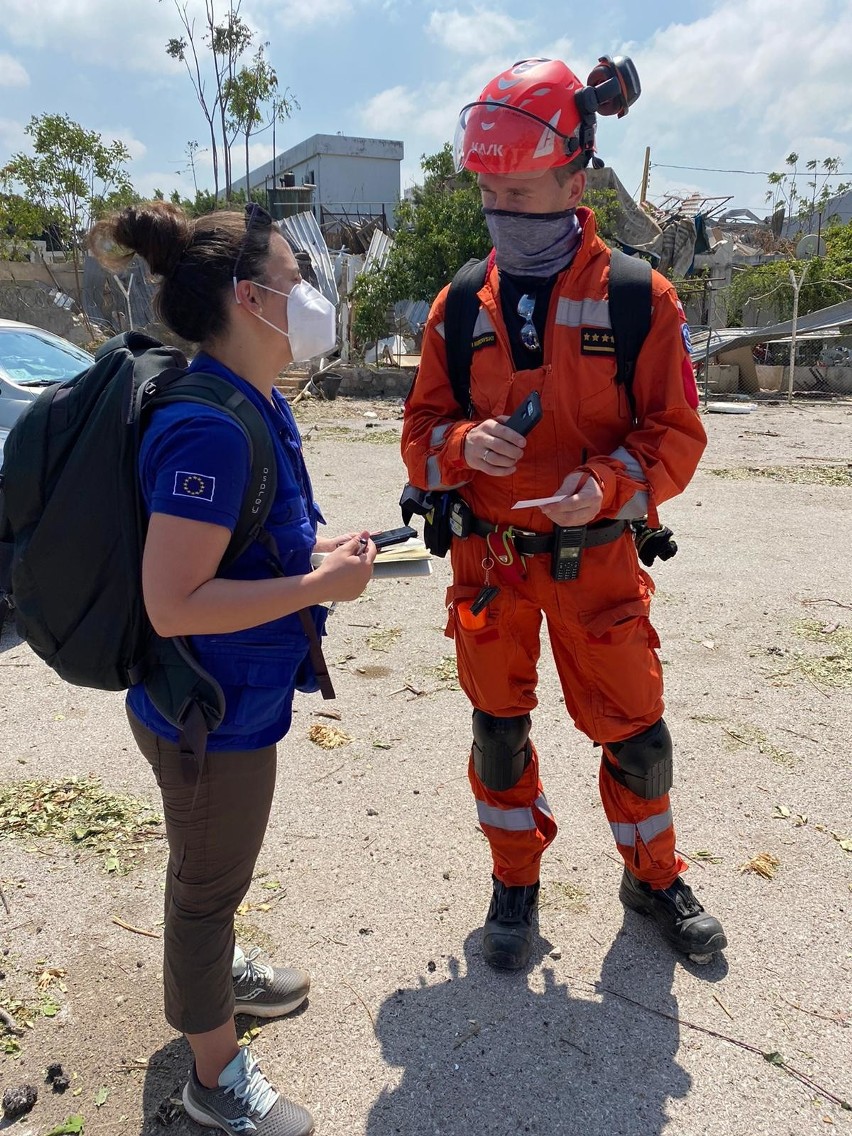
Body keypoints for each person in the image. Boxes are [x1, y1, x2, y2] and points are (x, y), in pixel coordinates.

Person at [401, 56, 727, 972]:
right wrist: (463, 448)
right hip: (491, 564)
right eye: (487, 193)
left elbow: (678, 434)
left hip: (598, 563)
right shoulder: (458, 304)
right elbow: (418, 433)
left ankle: (654, 876)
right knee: (497, 734)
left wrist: (614, 482)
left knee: (637, 734)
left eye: (518, 189)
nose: (499, 209)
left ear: (574, 180)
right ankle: (515, 882)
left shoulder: (638, 298)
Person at [89, 200, 377, 1136]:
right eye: (298, 282)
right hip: (208, 713)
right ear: (252, 300)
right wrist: (315, 587)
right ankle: (213, 1077)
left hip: (221, 703)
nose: (311, 298)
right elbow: (176, 600)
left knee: (209, 868)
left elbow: (246, 544)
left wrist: (322, 554)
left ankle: (218, 976)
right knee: (205, 889)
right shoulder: (211, 427)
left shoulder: (244, 400)